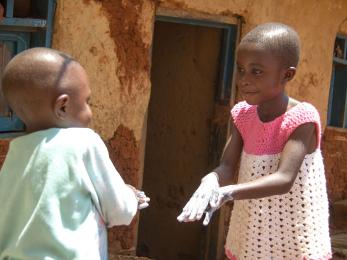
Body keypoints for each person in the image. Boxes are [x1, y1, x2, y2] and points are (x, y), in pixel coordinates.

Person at [177, 23, 331, 259]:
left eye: (256, 71)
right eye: (240, 69)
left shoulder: (302, 118)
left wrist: (228, 193)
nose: (244, 79)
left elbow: (284, 178)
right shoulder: (243, 115)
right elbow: (227, 166)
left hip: (294, 239)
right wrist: (212, 179)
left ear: (287, 74)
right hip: (252, 234)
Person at [0, 47, 149, 260]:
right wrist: (131, 196)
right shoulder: (83, 143)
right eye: (87, 102)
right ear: (62, 106)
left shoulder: (16, 154)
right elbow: (119, 211)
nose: (91, 111)